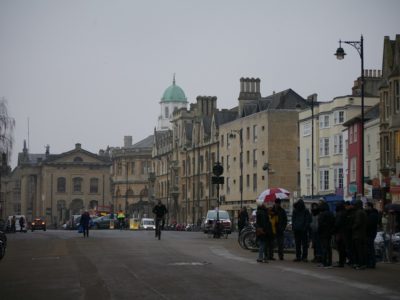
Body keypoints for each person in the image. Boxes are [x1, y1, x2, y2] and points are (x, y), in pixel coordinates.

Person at [317, 200, 335, 268]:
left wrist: (319, 232)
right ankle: (329, 262)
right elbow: (334, 223)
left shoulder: (322, 214)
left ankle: (324, 262)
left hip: (323, 233)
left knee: (324, 248)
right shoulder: (331, 214)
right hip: (329, 233)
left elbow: (320, 224)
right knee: (329, 248)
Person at [352, 200, 367, 270]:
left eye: (355, 205)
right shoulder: (363, 212)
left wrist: (352, 227)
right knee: (362, 250)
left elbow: (357, 223)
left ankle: (360, 264)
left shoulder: (358, 212)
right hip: (362, 233)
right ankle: (363, 263)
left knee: (359, 250)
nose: (354, 206)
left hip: (358, 234)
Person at [365, 202, 379, 268]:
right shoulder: (371, 214)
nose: (365, 207)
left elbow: (369, 224)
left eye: (366, 206)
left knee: (370, 248)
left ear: (370, 207)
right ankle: (371, 262)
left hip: (370, 233)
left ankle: (372, 263)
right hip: (371, 233)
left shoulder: (373, 215)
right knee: (369, 248)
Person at [333, 202, 347, 268]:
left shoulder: (339, 214)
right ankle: (343, 261)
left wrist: (334, 230)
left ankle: (341, 262)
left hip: (339, 233)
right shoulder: (345, 213)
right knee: (343, 248)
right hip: (344, 232)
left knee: (340, 247)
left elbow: (337, 224)